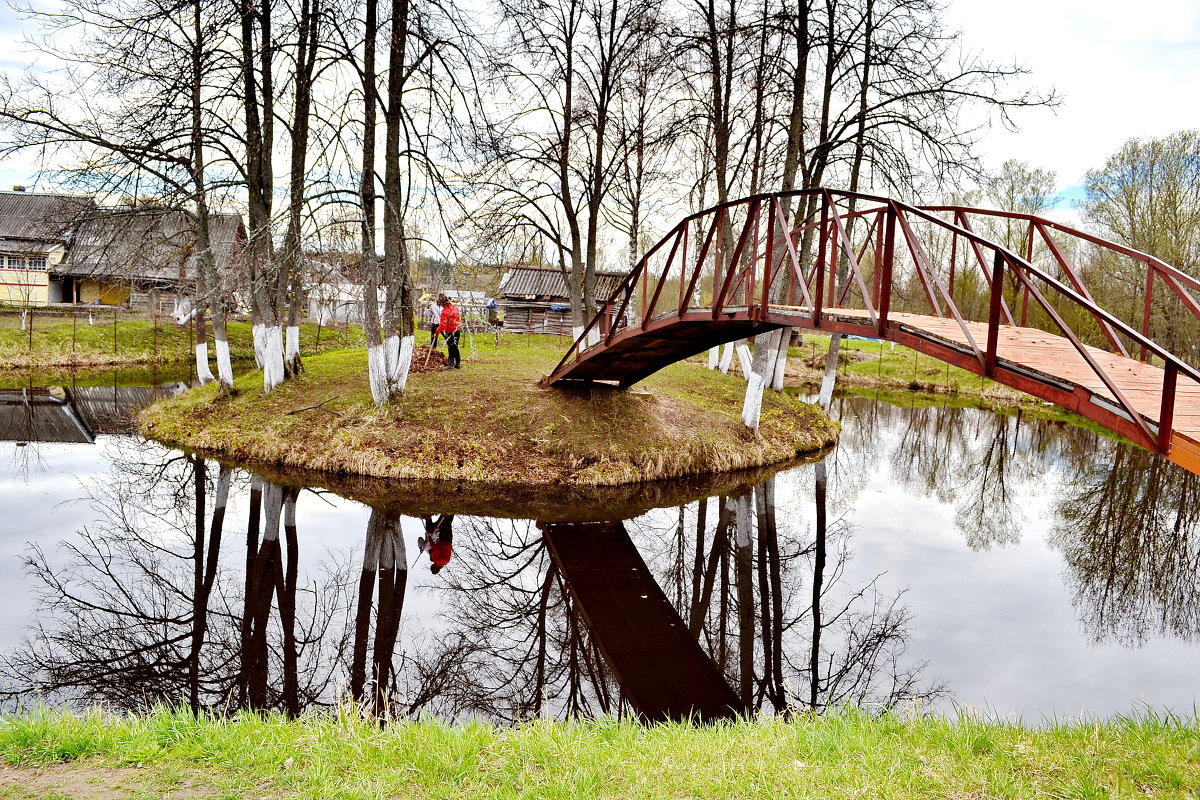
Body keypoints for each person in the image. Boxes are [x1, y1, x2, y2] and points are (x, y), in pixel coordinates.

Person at [435, 292, 461, 369]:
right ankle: (458, 363)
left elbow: (443, 325)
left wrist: (437, 332)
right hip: (457, 330)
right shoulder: (455, 308)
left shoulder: (445, 312)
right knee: (455, 346)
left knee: (450, 346)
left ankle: (451, 364)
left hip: (450, 331)